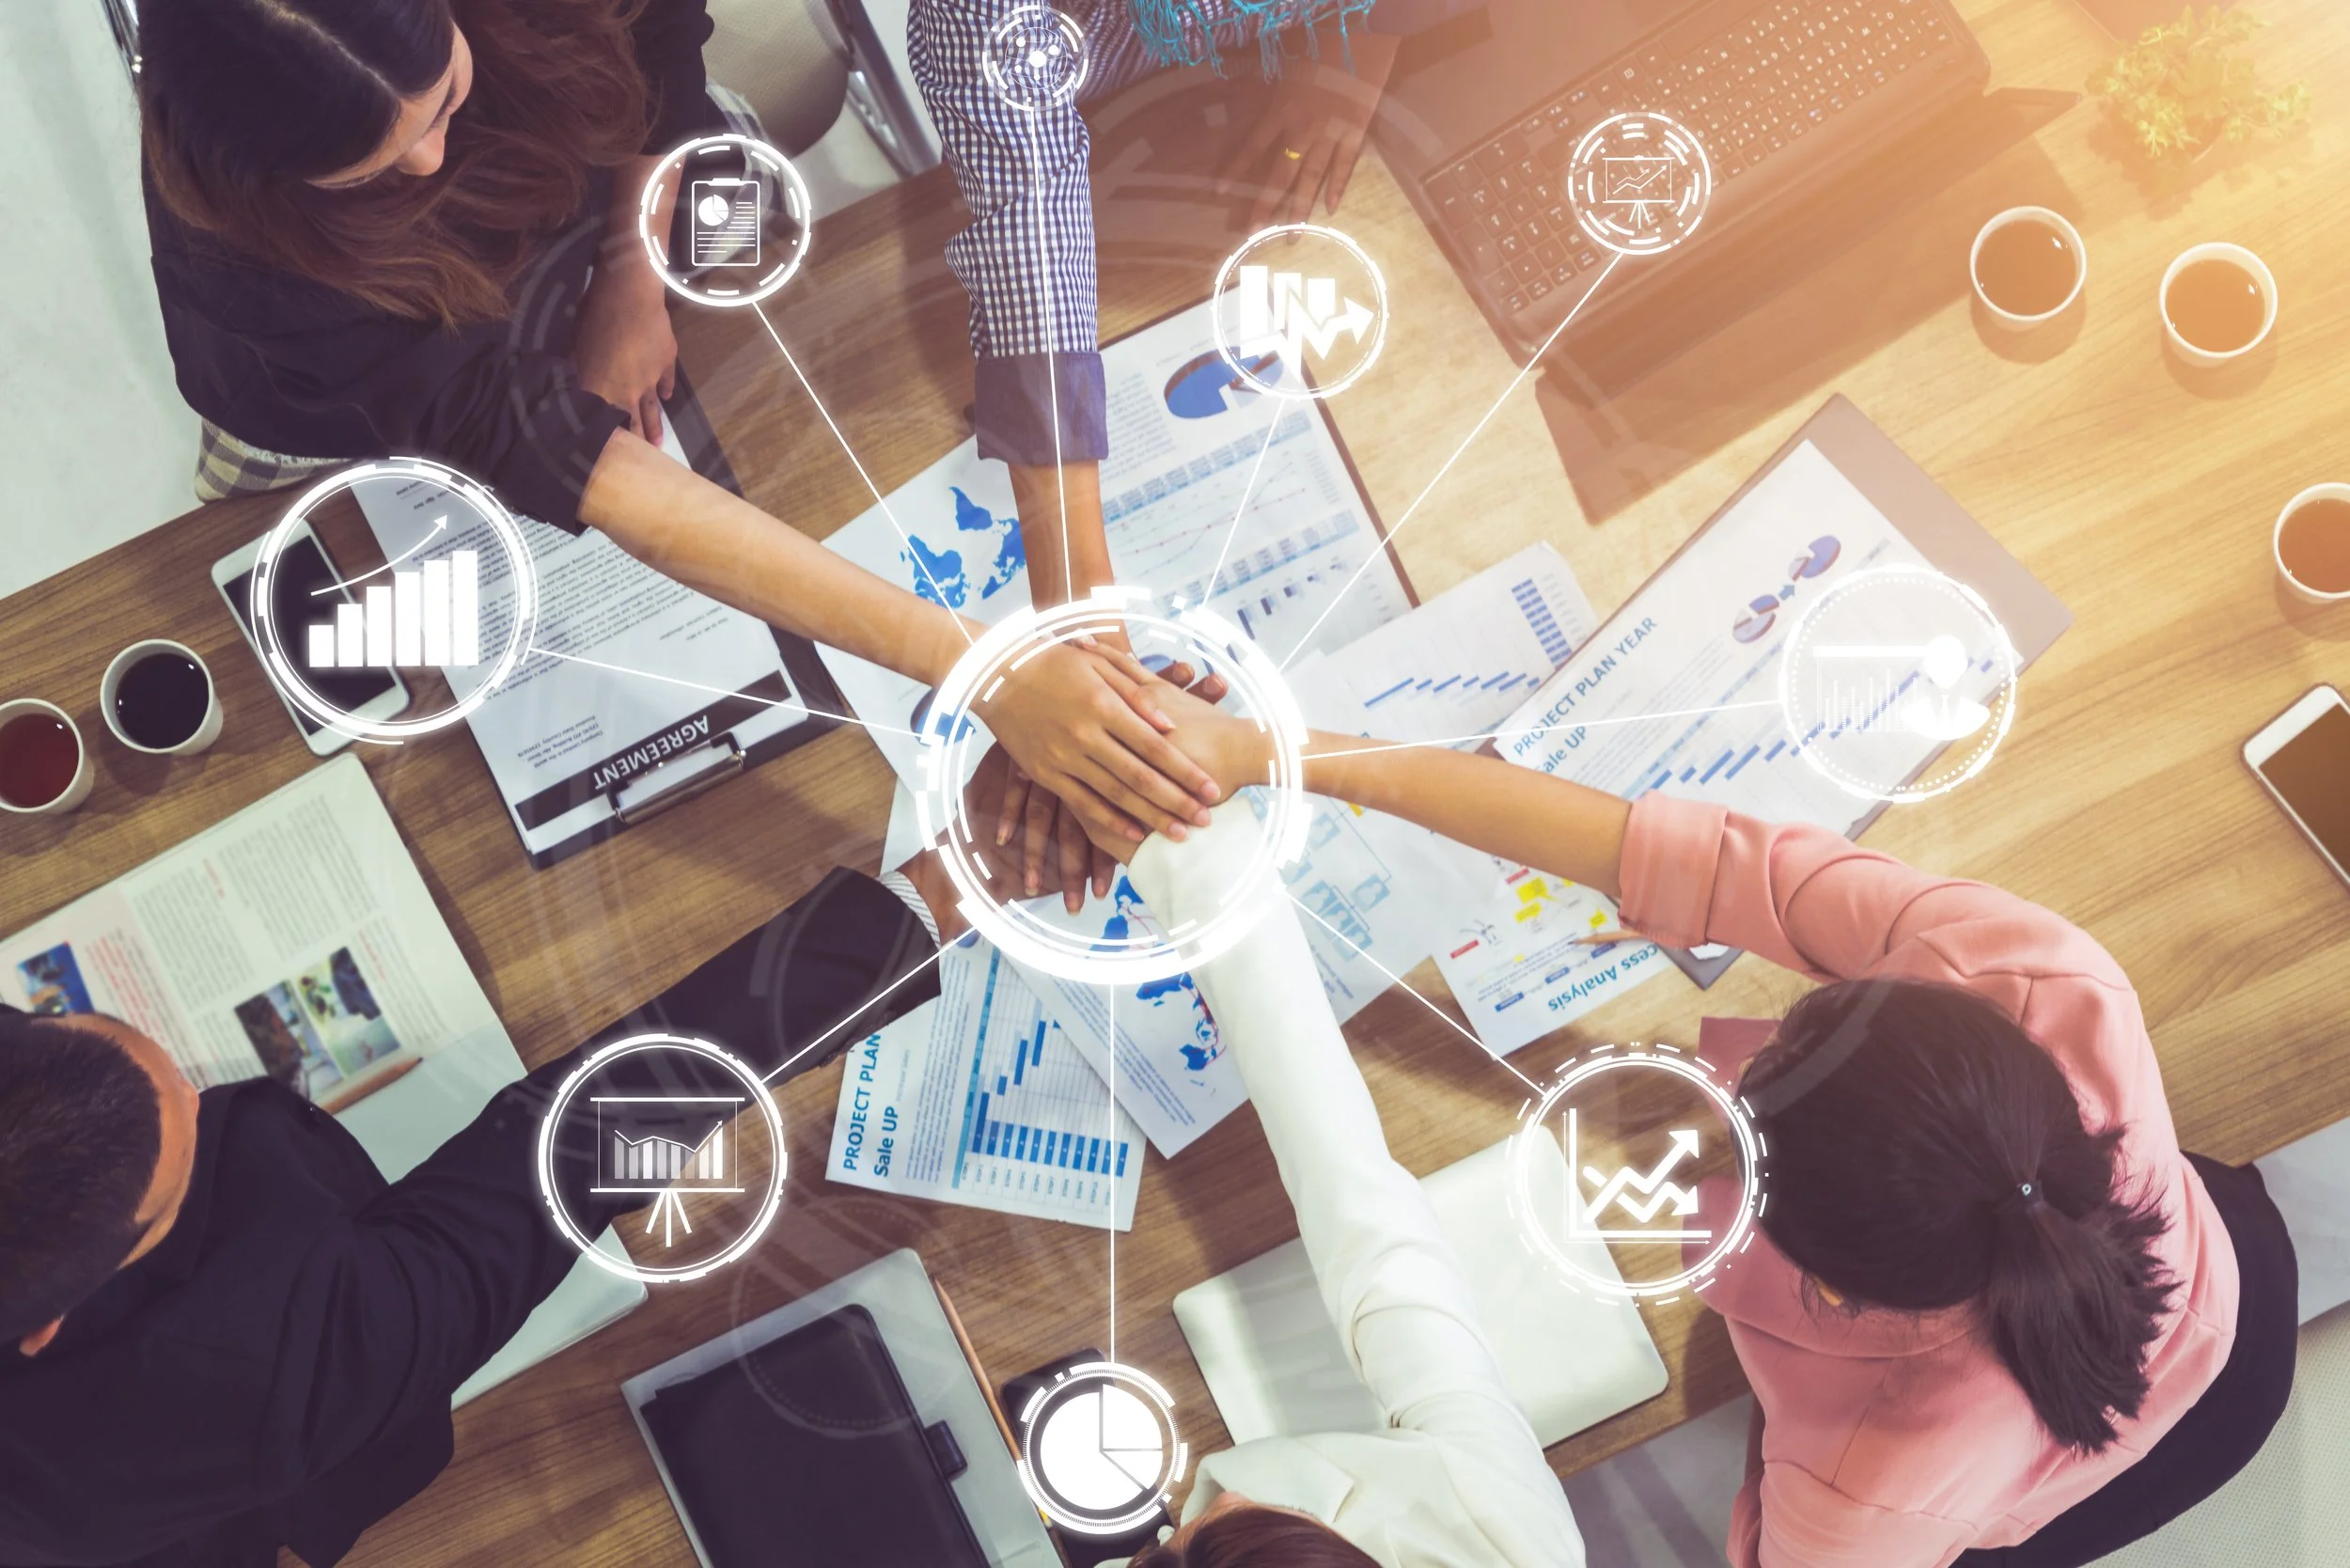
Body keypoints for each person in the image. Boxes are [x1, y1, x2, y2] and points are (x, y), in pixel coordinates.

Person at [1113, 670, 2297, 1568]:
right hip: (2215, 1284)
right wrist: (1288, 751)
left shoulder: (1857, 1492)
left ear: (1821, 1287)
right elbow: (1697, 862)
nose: (1750, 1032)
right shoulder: (2037, 973)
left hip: (2132, 1436)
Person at [136, 0, 1222, 853]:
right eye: (372, 166)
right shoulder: (249, 260)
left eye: (440, 101)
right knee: (292, 506)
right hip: (341, 393)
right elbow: (585, 470)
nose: (426, 164)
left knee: (767, 254)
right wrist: (992, 669)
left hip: (601, 191)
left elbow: (654, 54)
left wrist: (633, 272)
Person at [0, 857, 967, 1568]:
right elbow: (581, 1140)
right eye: (181, 1166)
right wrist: (923, 906)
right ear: (43, 1328)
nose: (199, 1084)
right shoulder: (252, 1370)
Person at [908, 0, 1478, 883]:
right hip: (1136, 142)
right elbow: (1033, 259)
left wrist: (1361, 47)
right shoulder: (981, 21)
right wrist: (1087, 639)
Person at [1096, 803, 1585, 1567]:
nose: (1222, 1497)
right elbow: (1363, 1216)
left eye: (1195, 1533)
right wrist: (1184, 843)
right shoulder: (1506, 1540)